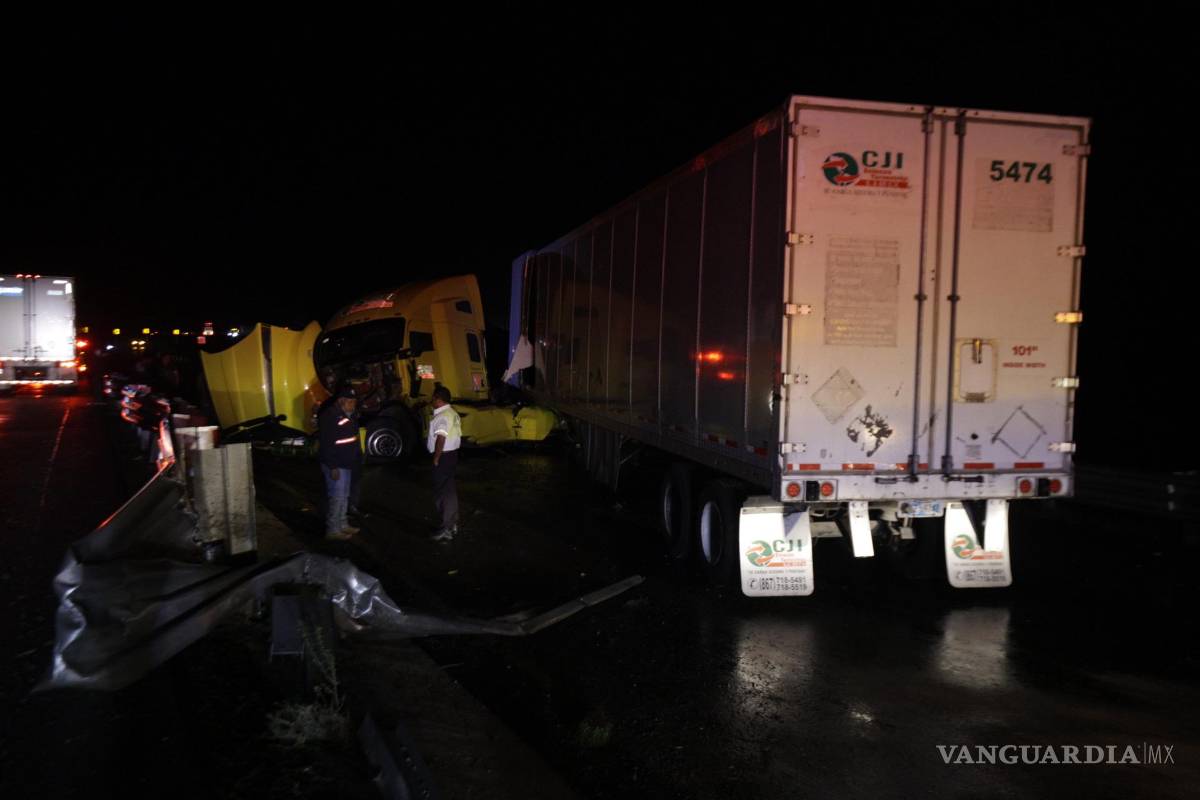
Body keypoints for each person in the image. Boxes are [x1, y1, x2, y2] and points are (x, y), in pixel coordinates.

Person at [319, 385, 362, 540]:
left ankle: (342, 524)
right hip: (336, 464)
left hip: (347, 463)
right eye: (350, 401)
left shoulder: (348, 415)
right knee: (337, 497)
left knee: (344, 496)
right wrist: (333, 467)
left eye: (354, 401)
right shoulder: (331, 416)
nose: (353, 404)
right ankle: (333, 529)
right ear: (341, 401)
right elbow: (326, 443)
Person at [428, 385, 462, 541]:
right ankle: (452, 523)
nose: (431, 401)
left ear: (438, 400)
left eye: (433, 398)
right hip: (452, 456)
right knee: (450, 491)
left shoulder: (442, 416)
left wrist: (436, 457)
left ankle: (445, 528)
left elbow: (441, 437)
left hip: (443, 457)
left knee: (442, 493)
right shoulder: (452, 413)